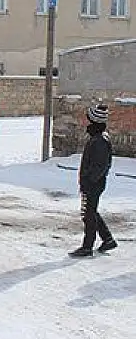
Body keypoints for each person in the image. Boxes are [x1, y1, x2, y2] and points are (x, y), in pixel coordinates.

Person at [69, 104, 118, 258]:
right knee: (91, 211)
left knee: (88, 214)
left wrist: (89, 181)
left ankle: (87, 246)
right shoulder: (97, 138)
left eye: (89, 119)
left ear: (94, 121)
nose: (86, 122)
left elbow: (100, 166)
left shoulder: (100, 140)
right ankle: (108, 239)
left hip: (93, 184)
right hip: (92, 183)